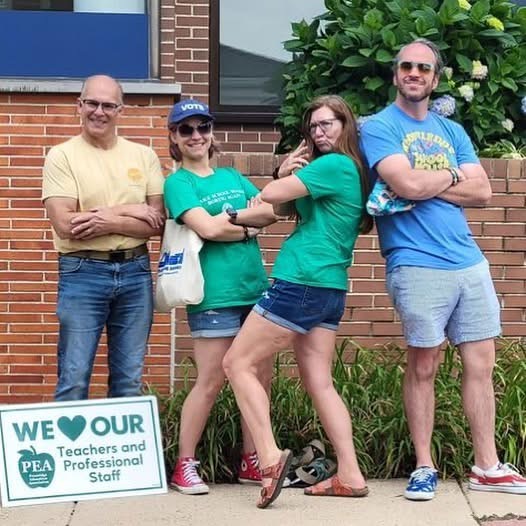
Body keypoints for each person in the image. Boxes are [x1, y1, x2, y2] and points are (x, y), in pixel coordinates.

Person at [360, 38, 526, 500]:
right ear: (396, 74)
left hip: (468, 261)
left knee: (481, 363)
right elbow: (405, 183)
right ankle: (424, 465)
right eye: (406, 67)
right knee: (424, 365)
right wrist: (452, 177)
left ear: (435, 79)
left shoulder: (452, 131)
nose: (414, 74)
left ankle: (487, 466)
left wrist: (427, 182)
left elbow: (483, 192)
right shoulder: (379, 127)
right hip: (416, 261)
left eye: (424, 68)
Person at [223, 95, 373, 509]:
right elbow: (284, 207)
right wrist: (286, 179)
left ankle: (269, 457)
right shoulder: (346, 169)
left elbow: (271, 194)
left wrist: (282, 170)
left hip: (301, 281)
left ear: (346, 125)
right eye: (314, 127)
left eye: (328, 124)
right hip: (329, 287)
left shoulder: (335, 164)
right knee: (319, 382)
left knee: (236, 363)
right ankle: (350, 474)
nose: (319, 133)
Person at [163, 99, 277, 495]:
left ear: (212, 133)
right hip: (213, 295)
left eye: (203, 128)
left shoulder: (230, 174)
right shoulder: (179, 183)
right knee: (211, 380)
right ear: (174, 137)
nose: (196, 136)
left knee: (259, 378)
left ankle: (253, 459)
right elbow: (206, 230)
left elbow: (269, 212)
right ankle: (185, 464)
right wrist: (245, 225)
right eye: (186, 129)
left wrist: (231, 223)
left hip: (254, 290)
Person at [42, 75, 165, 401]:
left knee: (129, 381)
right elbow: (66, 225)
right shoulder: (62, 156)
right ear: (79, 106)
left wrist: (106, 217)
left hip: (136, 272)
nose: (99, 111)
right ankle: (69, 437)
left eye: (108, 105)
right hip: (82, 272)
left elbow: (157, 223)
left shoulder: (144, 156)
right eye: (92, 103)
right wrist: (131, 212)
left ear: (120, 110)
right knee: (73, 378)